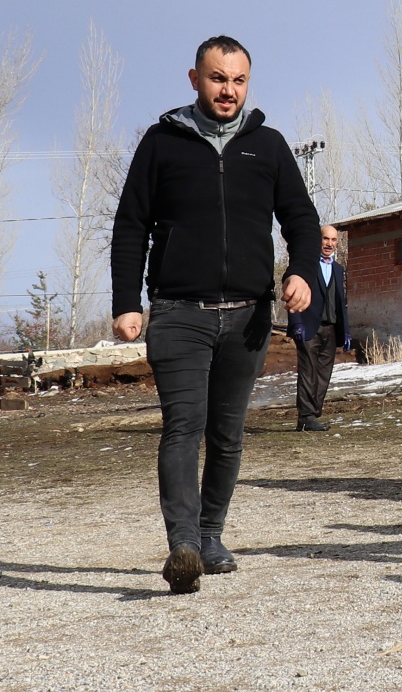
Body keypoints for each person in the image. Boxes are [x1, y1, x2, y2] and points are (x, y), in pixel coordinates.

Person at [111, 36, 319, 595]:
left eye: (238, 80)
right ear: (194, 78)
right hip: (179, 313)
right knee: (183, 425)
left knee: (226, 433)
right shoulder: (161, 143)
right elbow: (131, 224)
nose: (228, 90)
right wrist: (126, 302)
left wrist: (300, 271)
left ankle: (209, 536)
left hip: (248, 316)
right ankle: (182, 543)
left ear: (248, 82)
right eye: (217, 78)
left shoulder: (268, 145)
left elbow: (300, 218)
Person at [288, 225, 350, 432]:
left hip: (331, 328)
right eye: (325, 239)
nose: (329, 244)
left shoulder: (338, 269)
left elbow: (341, 302)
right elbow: (292, 292)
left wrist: (346, 330)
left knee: (324, 373)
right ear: (318, 240)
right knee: (308, 371)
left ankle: (313, 415)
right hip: (307, 327)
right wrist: (296, 322)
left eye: (333, 240)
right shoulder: (305, 266)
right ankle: (306, 416)